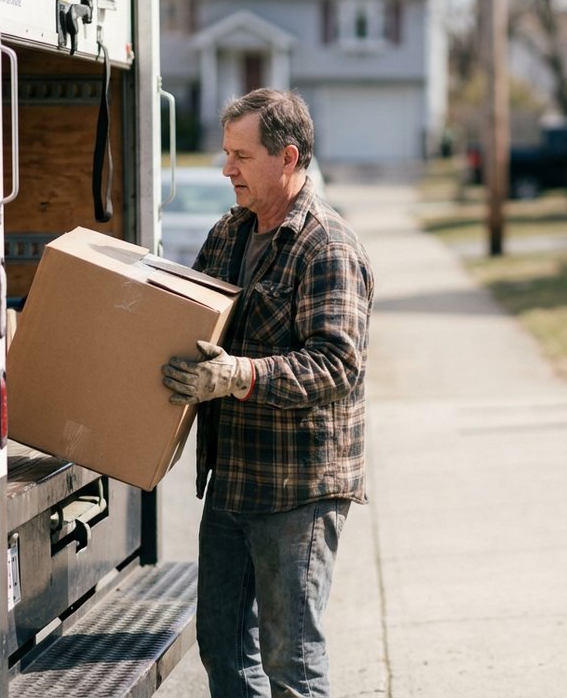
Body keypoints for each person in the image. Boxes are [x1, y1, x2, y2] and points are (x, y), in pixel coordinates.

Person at [161, 88, 374, 698]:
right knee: (222, 645)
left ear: (287, 157)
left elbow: (336, 364)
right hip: (233, 478)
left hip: (298, 488)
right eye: (226, 154)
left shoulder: (328, 246)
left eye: (241, 156)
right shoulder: (230, 232)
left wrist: (240, 375)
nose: (226, 169)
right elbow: (188, 313)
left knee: (292, 661)